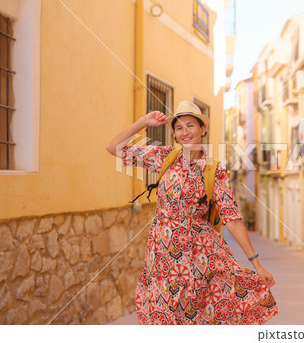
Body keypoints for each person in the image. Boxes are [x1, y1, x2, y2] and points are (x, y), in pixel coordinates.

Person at [106, 101, 278, 324]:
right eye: (179, 128)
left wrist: (256, 264)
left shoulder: (214, 170)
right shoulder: (165, 157)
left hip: (200, 257)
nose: (185, 132)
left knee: (196, 317)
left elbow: (232, 219)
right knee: (161, 315)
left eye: (190, 125)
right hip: (161, 256)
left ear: (202, 129)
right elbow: (114, 148)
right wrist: (143, 123)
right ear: (175, 136)